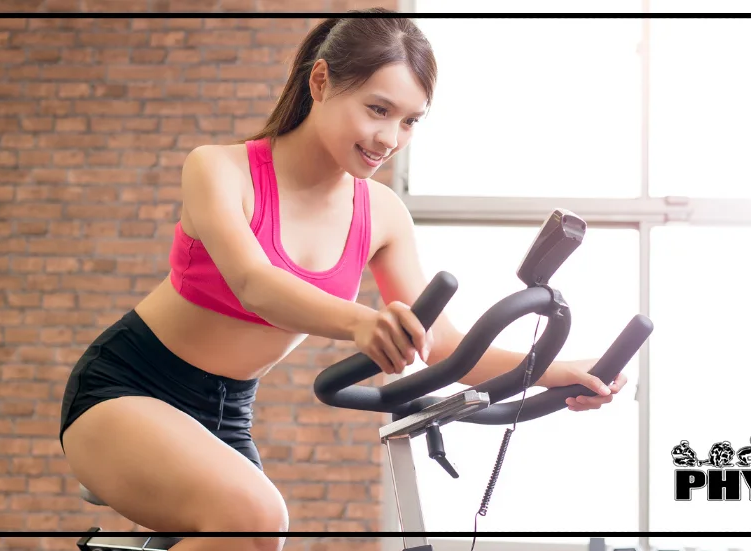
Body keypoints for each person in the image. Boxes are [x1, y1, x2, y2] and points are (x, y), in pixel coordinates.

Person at [59, 9, 627, 551]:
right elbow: (255, 283)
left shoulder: (382, 214)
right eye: (377, 110)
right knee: (256, 517)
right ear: (323, 81)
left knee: (258, 533)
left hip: (227, 415)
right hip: (128, 387)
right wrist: (362, 321)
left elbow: (447, 347)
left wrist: (561, 373)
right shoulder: (219, 169)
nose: (390, 139)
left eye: (409, 121)